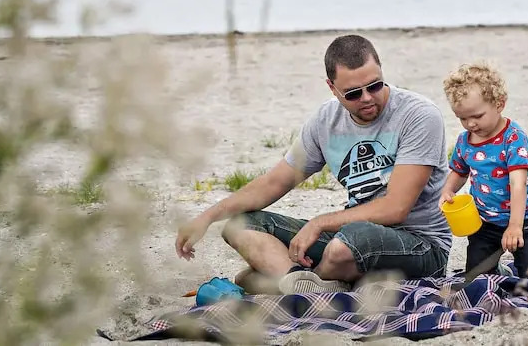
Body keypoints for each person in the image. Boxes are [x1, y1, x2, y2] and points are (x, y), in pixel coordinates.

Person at [175, 34, 453, 293]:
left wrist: (320, 222)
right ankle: (302, 284)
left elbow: (396, 208)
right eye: (353, 93)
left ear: (382, 73)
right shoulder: (325, 121)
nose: (367, 98)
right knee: (241, 225)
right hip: (351, 237)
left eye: (375, 85)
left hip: (420, 245)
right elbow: (274, 182)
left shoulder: (418, 115)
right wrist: (207, 217)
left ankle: (291, 281)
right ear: (332, 88)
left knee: (345, 245)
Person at [439, 61, 528, 280]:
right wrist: (448, 190)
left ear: (499, 104)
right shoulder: (465, 141)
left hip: (522, 219)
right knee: (476, 279)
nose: (470, 124)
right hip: (484, 222)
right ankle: (496, 269)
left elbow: (517, 184)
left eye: (477, 116)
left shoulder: (513, 138)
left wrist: (515, 226)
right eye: (463, 118)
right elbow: (459, 170)